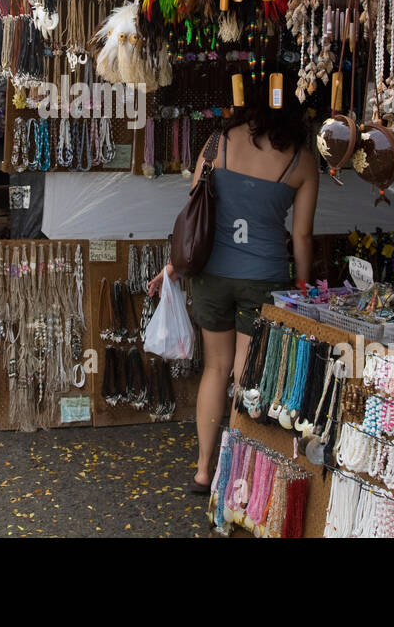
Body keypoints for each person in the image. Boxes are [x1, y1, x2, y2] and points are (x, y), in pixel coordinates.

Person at [148, 92, 319, 495]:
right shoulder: (302, 161)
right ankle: (240, 475)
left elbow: (194, 211)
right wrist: (303, 284)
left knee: (214, 370)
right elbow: (302, 234)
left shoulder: (215, 144)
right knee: (247, 376)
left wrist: (173, 266)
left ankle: (204, 471)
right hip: (263, 278)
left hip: (212, 274)